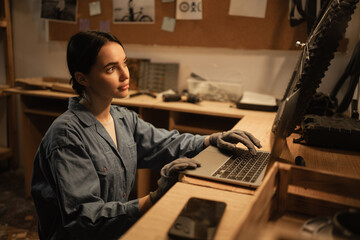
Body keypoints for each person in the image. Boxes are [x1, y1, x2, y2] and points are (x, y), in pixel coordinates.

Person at [31, 30, 262, 240]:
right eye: (111, 69)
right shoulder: (67, 136)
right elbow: (85, 220)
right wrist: (154, 198)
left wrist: (211, 139)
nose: (125, 74)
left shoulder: (123, 118)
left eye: (125, 63)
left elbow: (166, 144)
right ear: (83, 78)